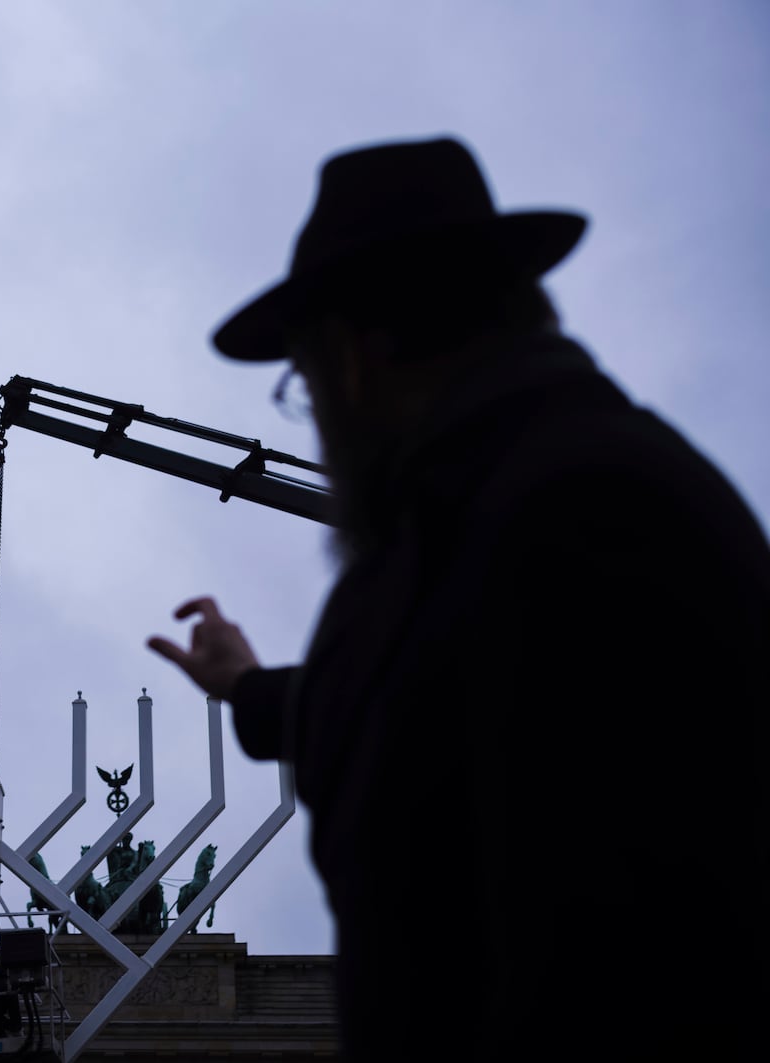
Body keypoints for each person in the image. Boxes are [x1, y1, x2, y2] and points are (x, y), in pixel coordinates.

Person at [147, 136, 769, 1060]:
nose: (313, 418)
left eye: (303, 384)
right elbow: (415, 717)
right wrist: (248, 688)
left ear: (353, 360)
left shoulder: (589, 507)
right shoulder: (465, 530)